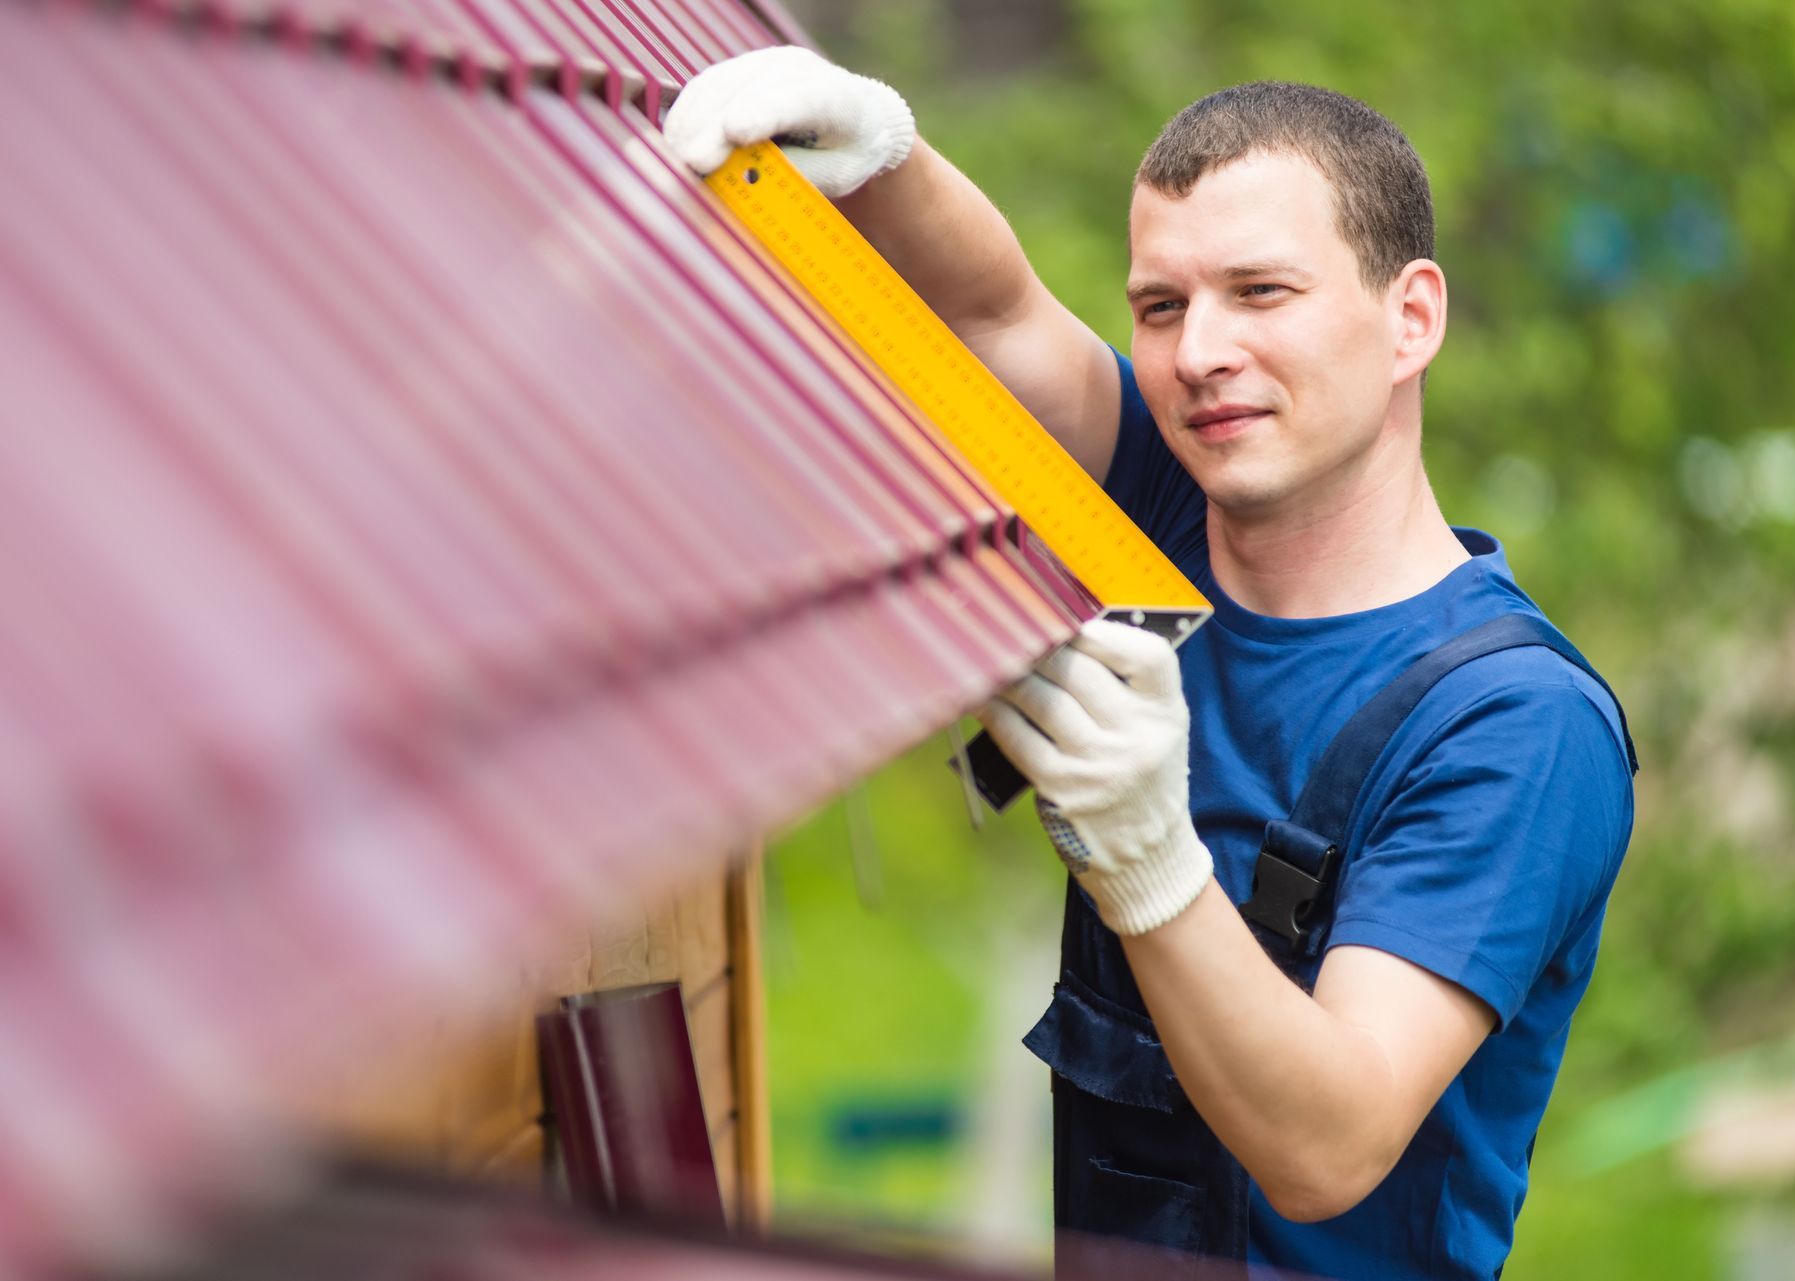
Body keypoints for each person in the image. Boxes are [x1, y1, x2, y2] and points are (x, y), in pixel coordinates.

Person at [668, 47, 1636, 1281]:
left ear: (1413, 318)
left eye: (1260, 292)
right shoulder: (1163, 517)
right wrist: (885, 153)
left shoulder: (1512, 723)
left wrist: (1147, 859)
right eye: (1162, 306)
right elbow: (994, 314)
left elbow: (1330, 1142)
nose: (1197, 355)